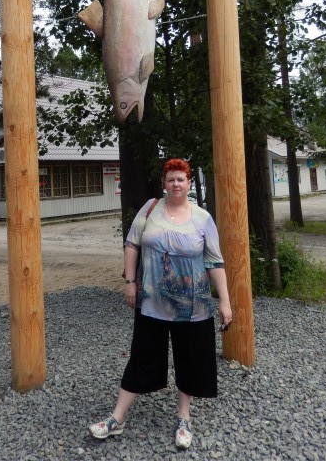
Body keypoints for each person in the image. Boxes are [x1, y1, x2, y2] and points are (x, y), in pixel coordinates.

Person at [89, 158, 232, 449]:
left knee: (190, 359)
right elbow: (132, 245)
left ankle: (184, 417)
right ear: (164, 183)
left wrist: (225, 302)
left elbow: (214, 261)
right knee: (142, 356)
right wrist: (130, 283)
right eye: (171, 179)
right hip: (152, 303)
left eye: (181, 179)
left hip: (193, 307)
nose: (176, 184)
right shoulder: (150, 209)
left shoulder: (203, 218)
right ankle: (117, 417)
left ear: (189, 183)